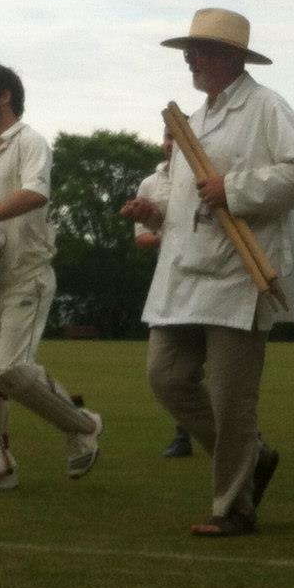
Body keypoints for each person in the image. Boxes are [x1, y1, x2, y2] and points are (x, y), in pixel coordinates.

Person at [122, 8, 294, 536]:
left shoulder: (266, 106)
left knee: (232, 399)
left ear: (231, 56)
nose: (190, 59)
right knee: (166, 377)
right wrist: (155, 212)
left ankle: (233, 507)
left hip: (241, 274)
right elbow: (187, 201)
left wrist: (234, 189)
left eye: (201, 50)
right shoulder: (193, 120)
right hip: (184, 272)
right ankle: (252, 456)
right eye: (189, 51)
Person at [0, 62, 102, 490]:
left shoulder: (30, 142)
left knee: (12, 371)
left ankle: (84, 425)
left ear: (5, 97)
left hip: (26, 274)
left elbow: (36, 192)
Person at [128, 128, 193, 458]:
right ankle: (183, 434)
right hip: (171, 283)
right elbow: (141, 237)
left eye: (177, 137)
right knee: (171, 368)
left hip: (210, 280)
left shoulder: (205, 177)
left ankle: (241, 436)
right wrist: (172, 232)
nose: (171, 144)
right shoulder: (150, 184)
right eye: (167, 137)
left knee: (216, 367)